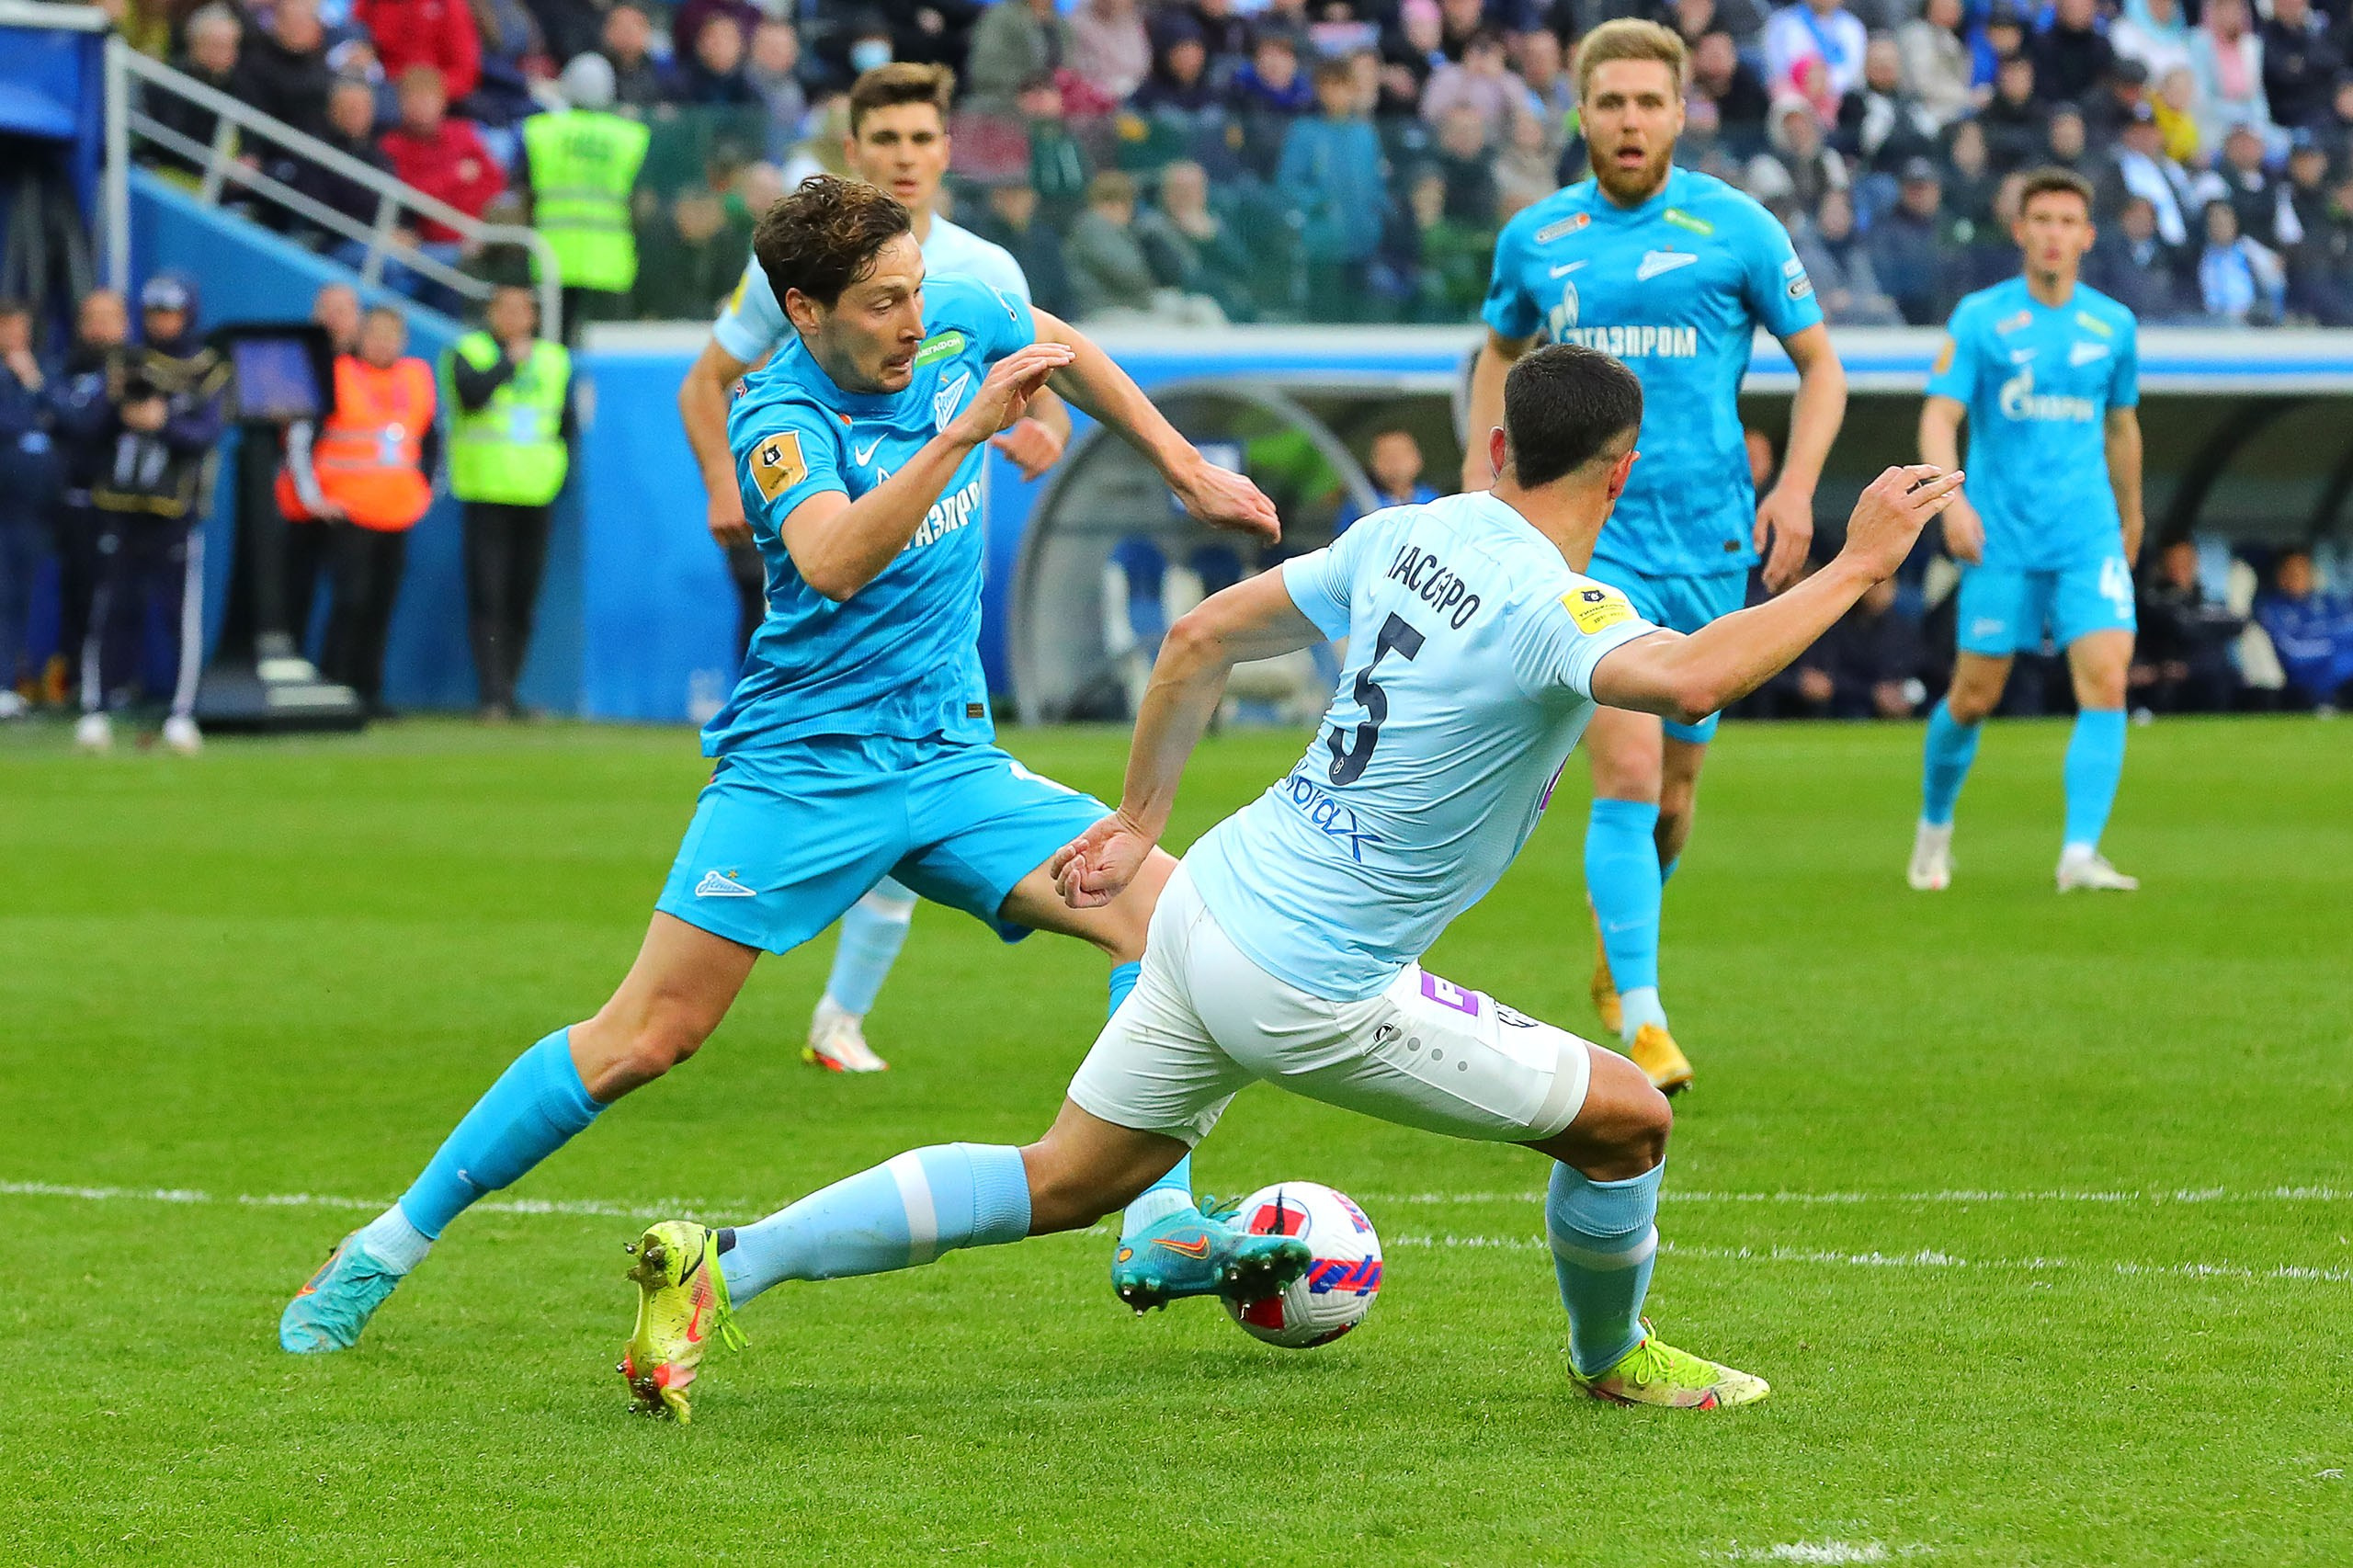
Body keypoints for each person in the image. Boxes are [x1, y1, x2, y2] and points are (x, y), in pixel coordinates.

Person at [612, 345, 1966, 1423]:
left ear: (1497, 446)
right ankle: (1612, 1358)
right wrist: (1857, 562)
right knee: (1627, 1123)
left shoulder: (1403, 533)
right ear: (1622, 472)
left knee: (1065, 1177)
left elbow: (1198, 637)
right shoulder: (1560, 608)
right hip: (1306, 980)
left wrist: (1140, 823)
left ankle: (724, 1259)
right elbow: (1692, 680)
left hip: (1204, 899)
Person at [278, 176, 1280, 1359]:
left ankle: (1156, 1218)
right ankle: (380, 1248)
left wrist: (1177, 460)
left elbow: (1058, 344)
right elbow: (836, 558)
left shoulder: (952, 312)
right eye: (880, 303)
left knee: (1175, 926)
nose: (912, 321)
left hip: (948, 758)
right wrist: (961, 433)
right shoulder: (777, 417)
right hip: (803, 769)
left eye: (914, 291)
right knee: (646, 1035)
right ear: (804, 310)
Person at [1462, 18, 1848, 1095]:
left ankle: (1616, 951)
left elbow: (1821, 367)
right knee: (1626, 776)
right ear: (1580, 114)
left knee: (1673, 798)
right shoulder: (1536, 237)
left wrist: (1795, 487)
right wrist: (1481, 484)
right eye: (1610, 103)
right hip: (1587, 544)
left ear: (1680, 113)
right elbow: (1496, 352)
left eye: (1647, 103)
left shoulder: (1738, 228)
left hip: (1709, 538)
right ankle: (1642, 1020)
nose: (1628, 121)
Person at [680, 63, 1075, 1075]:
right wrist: (725, 484)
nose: (906, 156)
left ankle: (841, 1016)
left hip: (933, 599)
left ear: (947, 150)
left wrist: (1043, 432)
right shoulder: (803, 276)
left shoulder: (982, 270)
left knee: (941, 803)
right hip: (823, 532)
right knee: (656, 1024)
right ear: (854, 152)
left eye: (922, 138)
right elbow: (711, 382)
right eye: (886, 139)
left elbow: (1046, 386)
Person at [1910, 168, 2145, 895]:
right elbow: (1940, 416)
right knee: (1974, 696)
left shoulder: (2114, 325)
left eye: (2068, 222)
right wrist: (1950, 503)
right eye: (2041, 220)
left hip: (2087, 535)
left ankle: (2079, 854)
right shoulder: (1980, 318)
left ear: (2087, 237)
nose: (2053, 234)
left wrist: (2133, 514)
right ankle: (1934, 830)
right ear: (2019, 230)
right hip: (2001, 536)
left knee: (2106, 679)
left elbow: (2122, 427)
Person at [74, 276, 232, 756]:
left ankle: (181, 714)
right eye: (154, 313)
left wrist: (164, 422)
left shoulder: (209, 369)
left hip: (173, 509)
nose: (162, 322)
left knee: (178, 615)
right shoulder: (124, 361)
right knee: (110, 609)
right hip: (121, 506)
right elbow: (88, 428)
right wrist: (117, 406)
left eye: (170, 313)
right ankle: (96, 708)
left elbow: (205, 435)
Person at [274, 305, 438, 717]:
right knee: (351, 600)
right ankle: (336, 684)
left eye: (391, 336)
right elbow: (301, 439)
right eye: (375, 334)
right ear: (361, 337)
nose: (382, 344)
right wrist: (314, 499)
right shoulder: (337, 373)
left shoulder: (416, 377)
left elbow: (431, 439)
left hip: (397, 511)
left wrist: (424, 493)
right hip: (348, 510)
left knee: (382, 604)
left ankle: (369, 691)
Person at [443, 285, 572, 720]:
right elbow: (470, 396)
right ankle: (492, 694)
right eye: (507, 309)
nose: (516, 317)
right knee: (488, 596)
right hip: (486, 491)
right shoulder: (469, 351)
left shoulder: (554, 360)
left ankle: (509, 692)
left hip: (536, 494)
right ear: (492, 313)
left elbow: (565, 424)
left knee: (522, 598)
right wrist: (508, 363)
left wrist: (559, 476)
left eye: (523, 310)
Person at [519, 55, 653, 337]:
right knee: (608, 348)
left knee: (553, 346)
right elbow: (642, 204)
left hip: (551, 259)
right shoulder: (631, 137)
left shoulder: (540, 132)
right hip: (610, 262)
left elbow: (523, 196)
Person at [41, 289, 130, 708]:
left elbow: (87, 423)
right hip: (70, 500)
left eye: (107, 318)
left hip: (118, 503)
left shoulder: (131, 369)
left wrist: (51, 402)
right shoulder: (66, 368)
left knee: (114, 597)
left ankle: (115, 682)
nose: (98, 328)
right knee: (74, 592)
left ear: (124, 324)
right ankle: (76, 681)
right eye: (90, 318)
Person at [0, 300, 56, 717]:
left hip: (31, 512)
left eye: (21, 328)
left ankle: (8, 682)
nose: (15, 337)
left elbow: (70, 418)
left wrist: (35, 384)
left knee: (20, 597)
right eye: (7, 328)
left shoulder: (41, 373)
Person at [2253, 548, 2352, 709]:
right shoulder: (2270, 608)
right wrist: (2335, 645)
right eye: (2291, 571)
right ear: (2280, 575)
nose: (2297, 576)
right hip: (2302, 678)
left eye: (2302, 571)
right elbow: (2293, 654)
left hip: (2341, 672)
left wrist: (2318, 638)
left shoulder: (2329, 602)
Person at [1336, 427, 1438, 533]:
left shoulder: (1433, 500)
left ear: (1418, 458)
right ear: (1372, 463)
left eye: (1402, 453)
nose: (1395, 461)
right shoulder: (1358, 504)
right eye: (1386, 455)